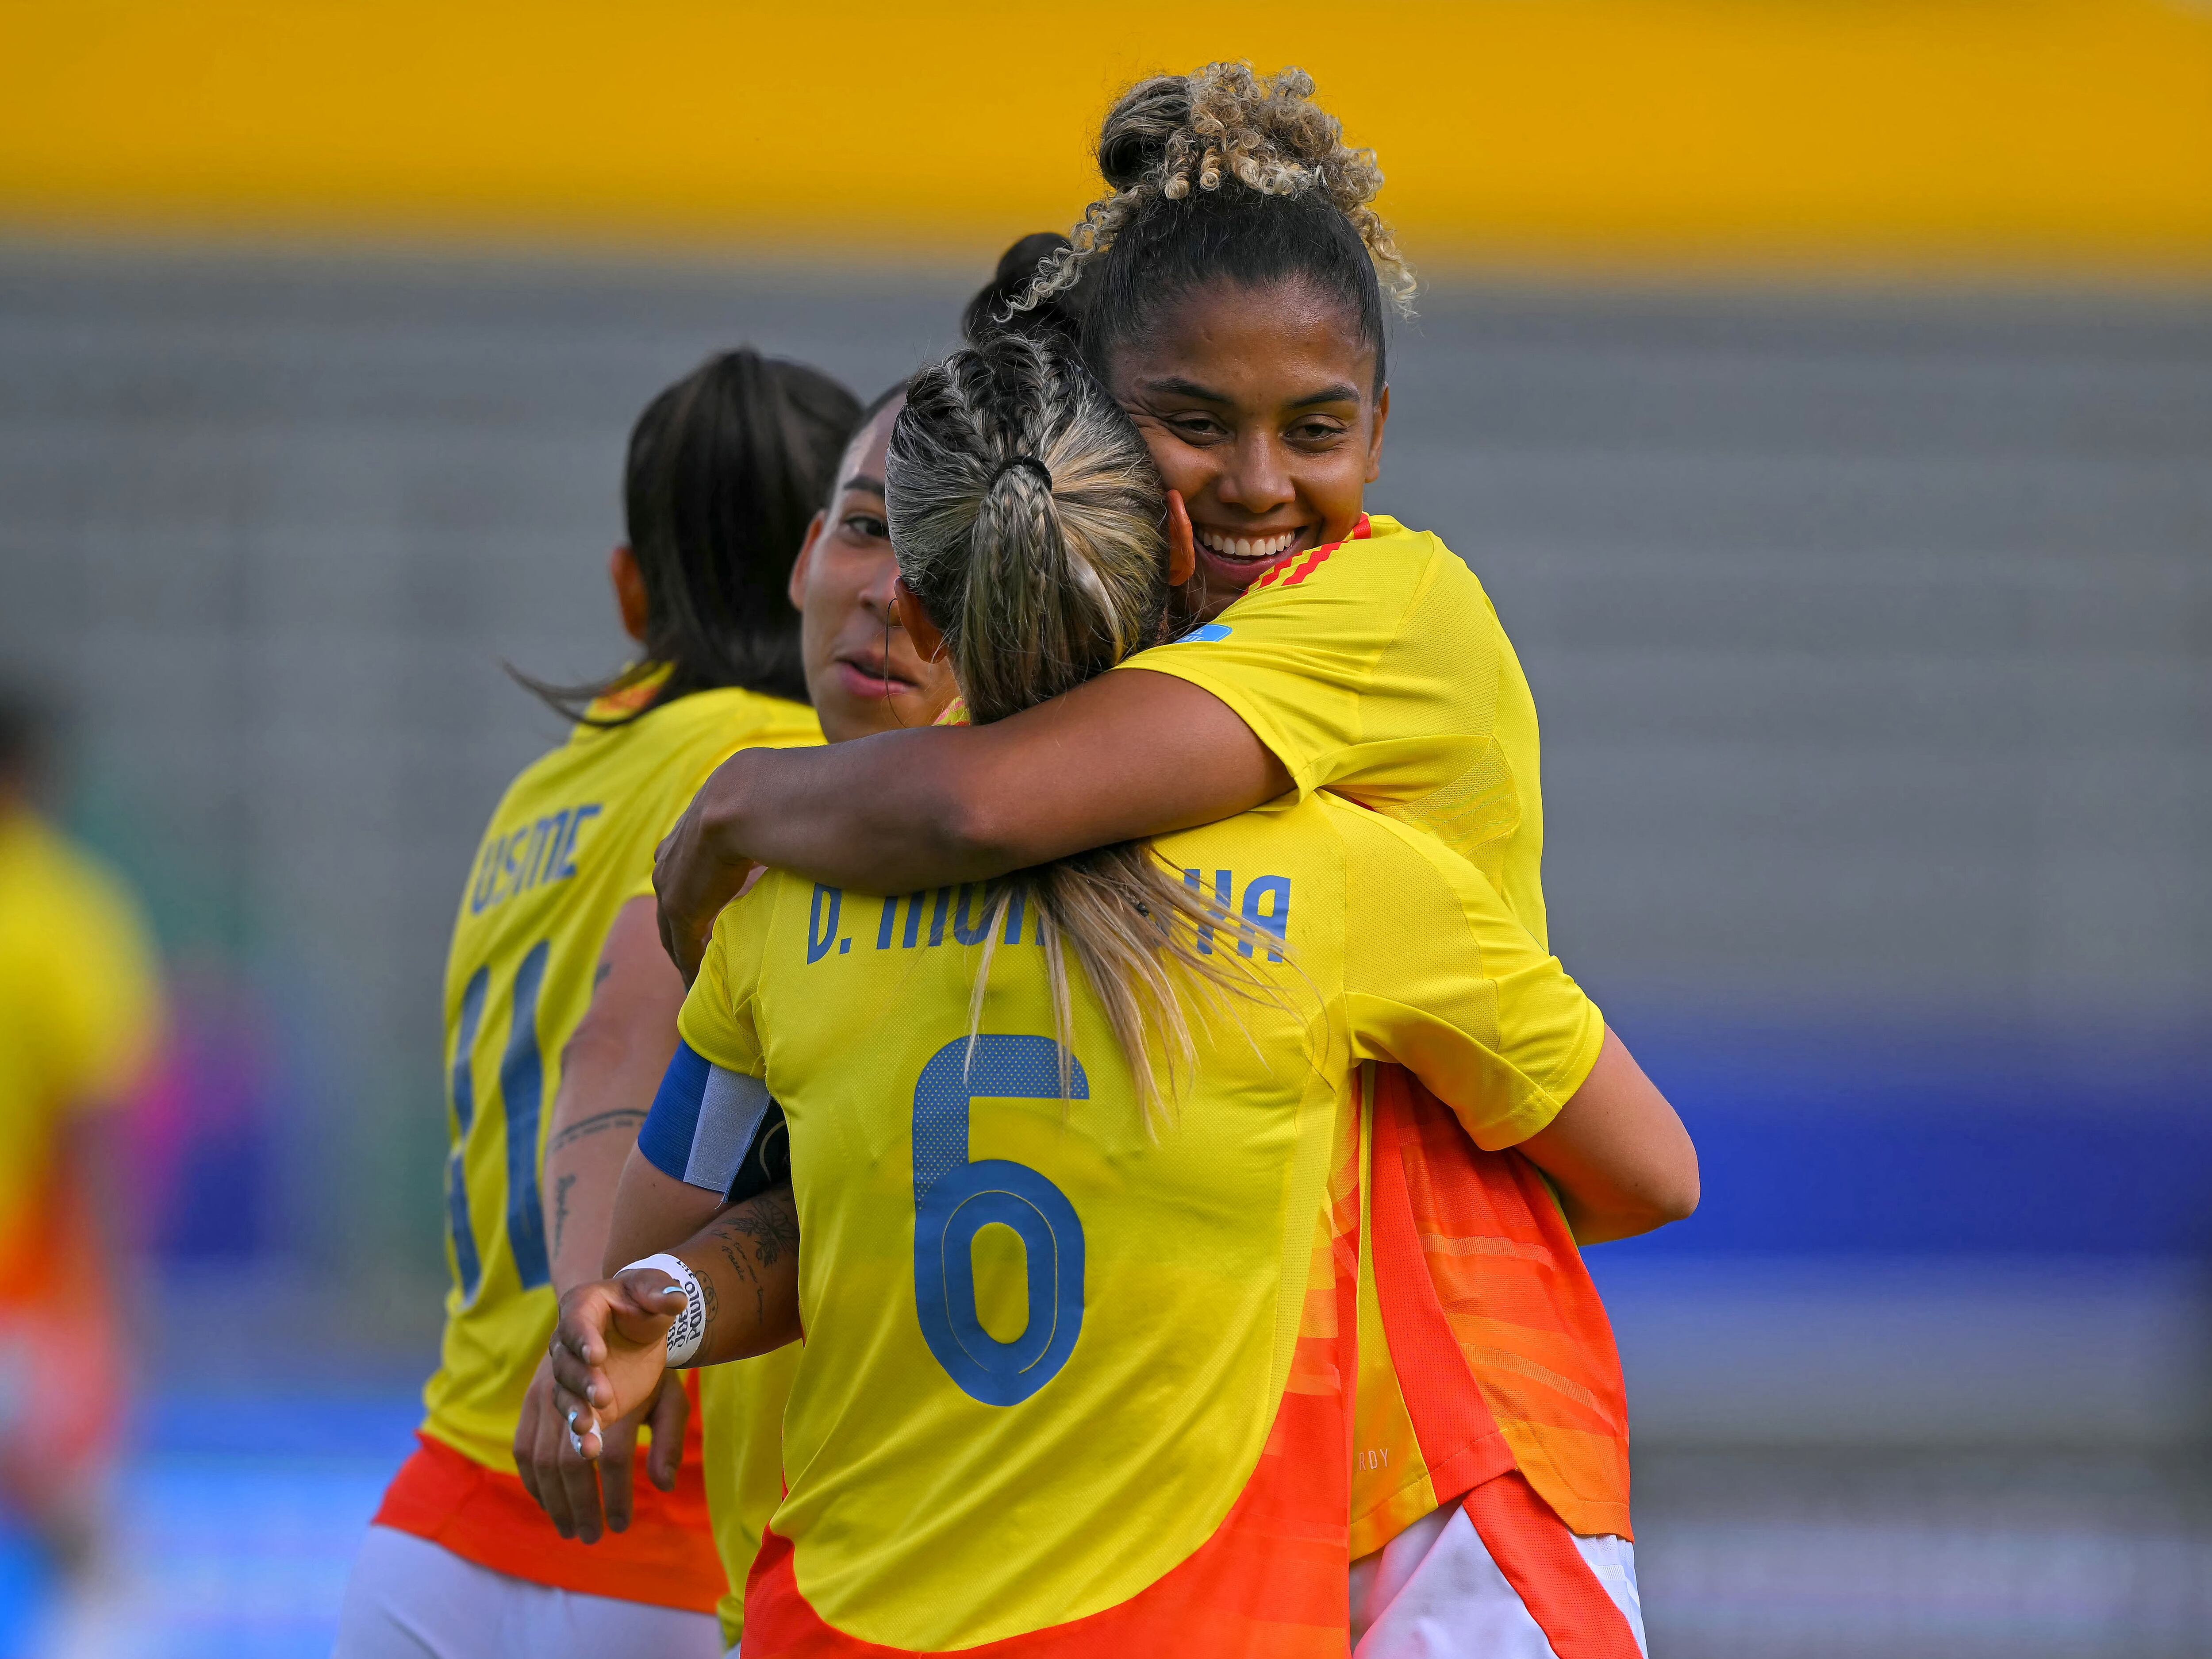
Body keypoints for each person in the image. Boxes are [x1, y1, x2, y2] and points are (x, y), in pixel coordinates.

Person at [649, 64, 1692, 1654]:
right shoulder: (1130, 650)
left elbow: (985, 804)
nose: (1263, 484)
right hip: (1225, 1472)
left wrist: (741, 804)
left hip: (1448, 1458)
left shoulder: (1377, 609)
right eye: (1192, 425)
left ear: (1382, 432)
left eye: (1317, 428)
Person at [334, 349, 860, 1659]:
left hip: (435, 1522)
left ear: (631, 592)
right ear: (823, 564)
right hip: (652, 1516)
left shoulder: (537, 795)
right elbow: (622, 1031)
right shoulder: (796, 779)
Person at [0, 686, 159, 1604]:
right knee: (98, 1570)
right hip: (27, 1297)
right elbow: (95, 1126)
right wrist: (112, 1308)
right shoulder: (65, 915)